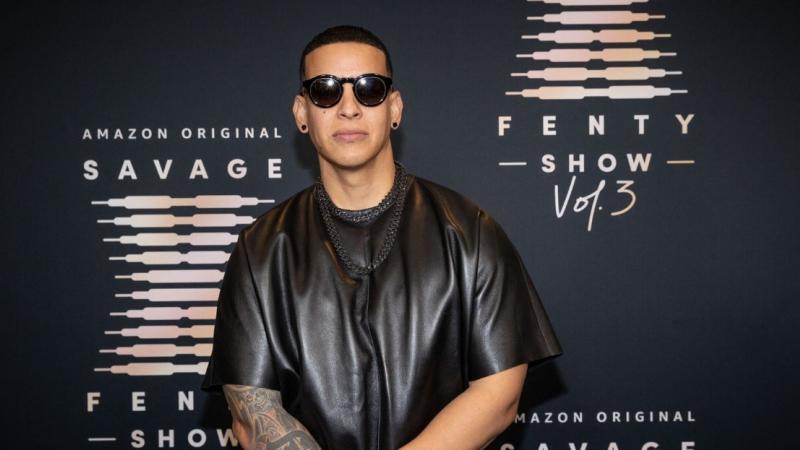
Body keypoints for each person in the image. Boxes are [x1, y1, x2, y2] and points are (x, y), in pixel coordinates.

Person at [201, 25, 563, 450]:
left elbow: (498, 394)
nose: (349, 108)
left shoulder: (471, 232)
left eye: (369, 89)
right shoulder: (260, 249)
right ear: (301, 112)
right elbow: (253, 413)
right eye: (325, 91)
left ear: (395, 108)